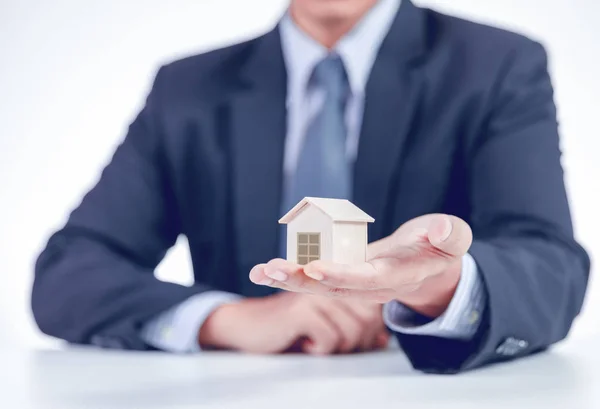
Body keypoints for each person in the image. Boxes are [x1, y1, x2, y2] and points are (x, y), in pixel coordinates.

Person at [31, 0, 590, 374]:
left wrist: (438, 284)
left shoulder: (496, 65)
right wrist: (228, 319)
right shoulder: (189, 88)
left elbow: (549, 263)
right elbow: (69, 272)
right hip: (241, 394)